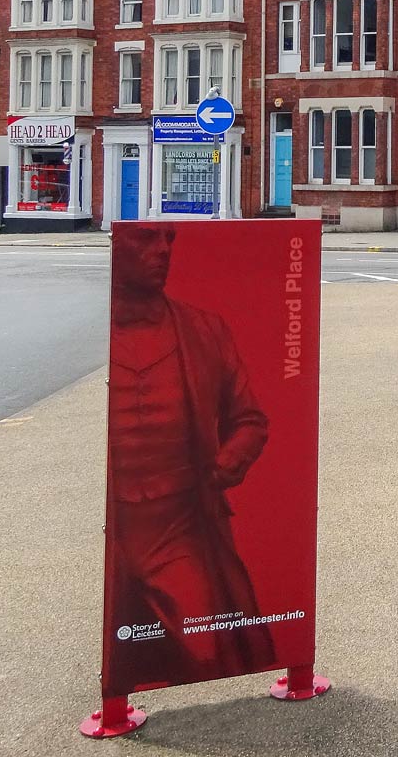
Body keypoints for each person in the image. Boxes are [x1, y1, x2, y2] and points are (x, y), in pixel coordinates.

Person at [103, 223, 273, 687]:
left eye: (169, 239)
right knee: (117, 660)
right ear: (116, 245)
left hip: (177, 528)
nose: (162, 250)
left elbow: (250, 420)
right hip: (111, 529)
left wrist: (226, 464)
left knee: (207, 652)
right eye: (146, 239)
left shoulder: (203, 330)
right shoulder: (92, 333)